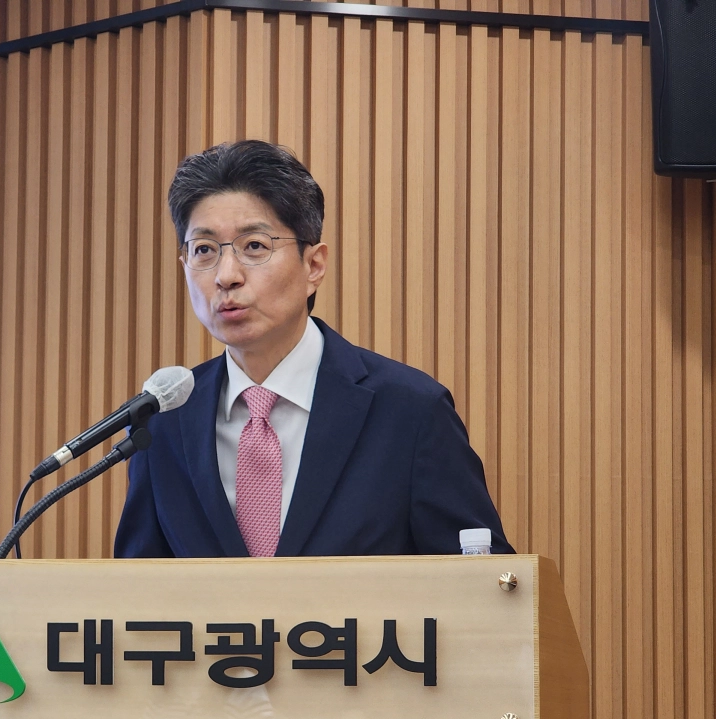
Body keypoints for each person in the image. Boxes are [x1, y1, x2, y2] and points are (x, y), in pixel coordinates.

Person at [114, 140, 513, 558]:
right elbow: (137, 586)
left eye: (254, 246)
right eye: (204, 251)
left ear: (313, 266)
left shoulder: (410, 411)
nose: (226, 276)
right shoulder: (164, 422)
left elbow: (482, 583)